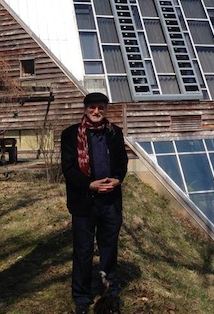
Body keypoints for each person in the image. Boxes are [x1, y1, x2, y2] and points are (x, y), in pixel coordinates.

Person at [61, 92, 128, 314]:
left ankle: (109, 292)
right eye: (92, 108)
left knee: (109, 250)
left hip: (110, 202)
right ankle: (82, 297)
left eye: (101, 107)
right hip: (84, 202)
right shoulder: (70, 135)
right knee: (83, 251)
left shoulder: (114, 132)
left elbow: (122, 162)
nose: (96, 112)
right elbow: (68, 168)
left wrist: (117, 179)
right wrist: (90, 185)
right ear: (86, 109)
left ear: (106, 109)